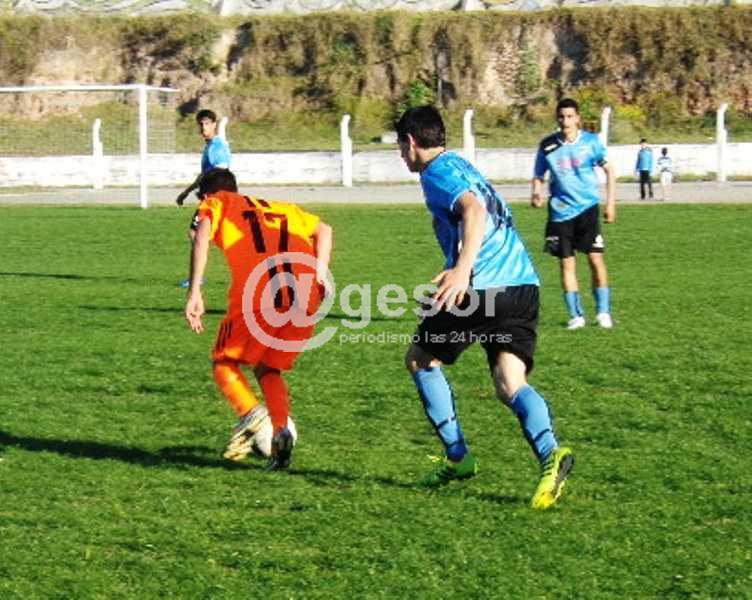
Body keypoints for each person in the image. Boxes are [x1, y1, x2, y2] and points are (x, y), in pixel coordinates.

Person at [396, 105, 573, 510]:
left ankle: (458, 457)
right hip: (522, 285)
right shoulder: (462, 165)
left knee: (419, 360)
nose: (402, 156)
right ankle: (551, 455)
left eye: (400, 148)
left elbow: (474, 210)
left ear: (410, 142)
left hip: (482, 287)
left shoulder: (436, 172)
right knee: (511, 382)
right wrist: (454, 267)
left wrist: (461, 272)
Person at [184, 168, 333, 471]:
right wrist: (319, 274)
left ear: (207, 195)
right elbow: (325, 230)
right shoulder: (280, 207)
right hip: (304, 295)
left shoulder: (216, 203)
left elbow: (199, 236)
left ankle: (254, 417)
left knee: (224, 363)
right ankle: (280, 432)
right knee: (267, 367)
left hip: (259, 293)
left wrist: (195, 290)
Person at [531, 98, 616, 330]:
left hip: (587, 209)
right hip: (560, 213)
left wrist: (610, 204)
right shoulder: (548, 145)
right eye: (561, 116)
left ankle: (603, 312)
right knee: (567, 264)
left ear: (578, 118)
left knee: (595, 259)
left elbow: (609, 170)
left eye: (570, 116)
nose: (565, 121)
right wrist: (536, 192)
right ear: (557, 118)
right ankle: (576, 316)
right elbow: (538, 174)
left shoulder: (591, 142)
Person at [177, 109, 232, 288]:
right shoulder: (211, 145)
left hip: (215, 199)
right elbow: (204, 175)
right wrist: (187, 192)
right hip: (213, 198)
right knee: (204, 236)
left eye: (207, 124)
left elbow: (221, 174)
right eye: (201, 124)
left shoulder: (216, 148)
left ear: (214, 125)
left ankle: (196, 278)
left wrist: (213, 197)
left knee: (196, 235)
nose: (203, 128)